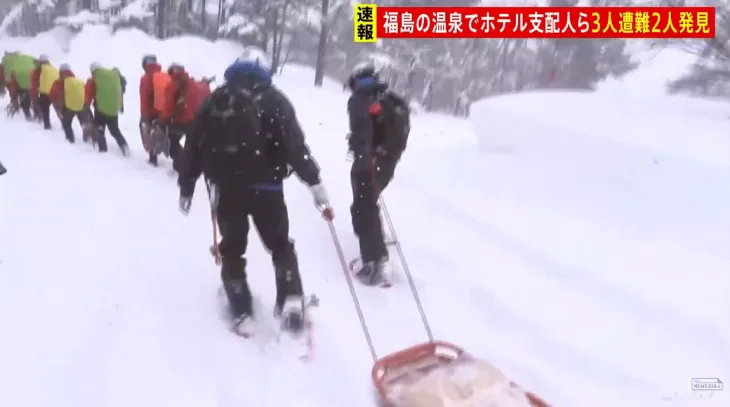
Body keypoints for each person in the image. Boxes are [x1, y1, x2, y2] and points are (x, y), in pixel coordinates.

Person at [176, 49, 331, 336]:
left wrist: (186, 187)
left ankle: (241, 310)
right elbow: (295, 147)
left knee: (232, 248)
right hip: (267, 189)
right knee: (280, 245)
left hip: (226, 190)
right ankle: (291, 300)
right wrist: (315, 183)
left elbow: (193, 146)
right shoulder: (275, 100)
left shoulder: (215, 101)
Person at [345, 61, 410, 286]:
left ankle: (373, 261)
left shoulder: (360, 99)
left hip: (369, 161)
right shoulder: (389, 97)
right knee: (369, 203)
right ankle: (378, 253)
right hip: (388, 161)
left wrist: (364, 152)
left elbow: (361, 130)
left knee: (362, 208)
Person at [160, 62, 211, 173]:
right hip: (197, 121)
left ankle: (180, 167)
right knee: (190, 146)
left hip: (180, 121)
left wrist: (164, 120)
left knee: (173, 144)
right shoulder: (194, 84)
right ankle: (186, 165)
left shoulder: (173, 85)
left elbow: (168, 106)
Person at [85, 62, 129, 155]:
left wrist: (86, 106)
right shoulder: (113, 76)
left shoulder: (93, 79)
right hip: (113, 109)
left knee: (100, 128)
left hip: (100, 110)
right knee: (114, 129)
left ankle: (103, 151)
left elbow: (88, 95)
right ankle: (124, 146)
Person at [49, 63, 91, 144]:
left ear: (60, 72)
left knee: (66, 123)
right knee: (84, 122)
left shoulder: (59, 82)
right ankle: (87, 138)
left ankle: (70, 140)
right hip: (81, 105)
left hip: (68, 107)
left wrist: (56, 104)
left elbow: (52, 94)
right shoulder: (78, 80)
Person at [139, 54, 164, 166]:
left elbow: (144, 97)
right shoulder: (163, 75)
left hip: (151, 112)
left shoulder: (146, 78)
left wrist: (144, 115)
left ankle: (153, 159)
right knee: (158, 132)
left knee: (148, 133)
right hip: (164, 112)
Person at [30, 54, 59, 129]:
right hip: (56, 92)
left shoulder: (38, 70)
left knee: (45, 109)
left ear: (40, 62)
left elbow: (34, 83)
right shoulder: (54, 68)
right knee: (59, 109)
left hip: (45, 93)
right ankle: (64, 124)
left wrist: (34, 97)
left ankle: (47, 125)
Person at [5, 52, 36, 120]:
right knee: (34, 100)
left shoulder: (13, 68)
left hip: (22, 87)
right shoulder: (31, 62)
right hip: (33, 86)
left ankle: (28, 116)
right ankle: (38, 114)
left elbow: (13, 84)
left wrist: (14, 96)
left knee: (25, 102)